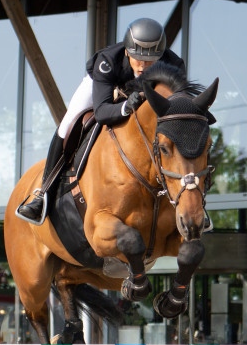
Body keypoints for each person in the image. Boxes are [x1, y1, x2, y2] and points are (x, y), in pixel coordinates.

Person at [16, 17, 186, 224]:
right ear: (126, 51)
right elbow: (103, 111)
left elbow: (177, 108)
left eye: (151, 61)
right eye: (137, 58)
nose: (143, 66)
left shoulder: (174, 65)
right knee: (68, 123)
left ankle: (194, 204)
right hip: (105, 90)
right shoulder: (107, 61)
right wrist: (126, 106)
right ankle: (43, 194)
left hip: (142, 97)